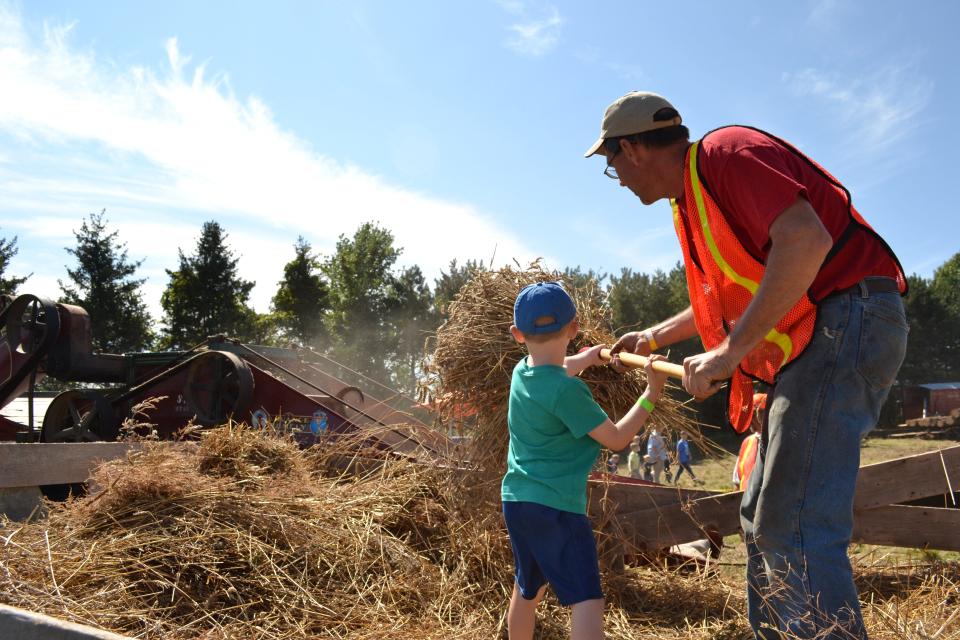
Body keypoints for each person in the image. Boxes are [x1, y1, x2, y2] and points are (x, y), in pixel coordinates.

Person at [590, 92, 908, 639]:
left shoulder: (726, 154)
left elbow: (806, 241)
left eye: (612, 161)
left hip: (848, 316)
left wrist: (729, 354)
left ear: (635, 147)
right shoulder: (692, 199)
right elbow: (725, 297)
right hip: (822, 334)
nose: (615, 175)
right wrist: (656, 334)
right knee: (761, 515)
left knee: (795, 520)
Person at [501, 281, 668, 640]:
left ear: (518, 334)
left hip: (517, 502)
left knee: (528, 588)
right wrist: (651, 393)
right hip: (556, 507)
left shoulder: (521, 372)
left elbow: (555, 369)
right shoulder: (568, 392)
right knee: (587, 600)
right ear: (573, 328)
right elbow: (619, 439)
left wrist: (588, 359)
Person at [733, 393, 766, 491]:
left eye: (751, 416)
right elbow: (737, 481)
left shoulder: (777, 443)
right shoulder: (747, 442)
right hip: (743, 502)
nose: (749, 421)